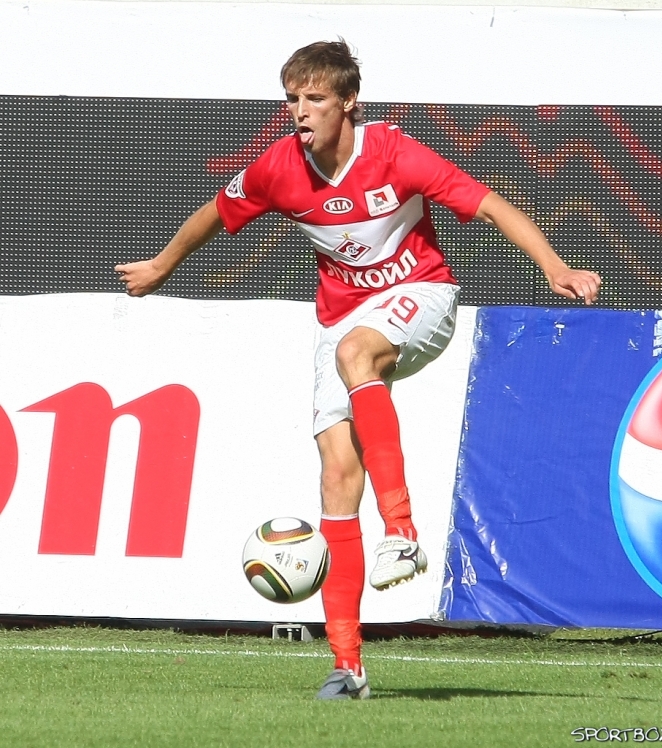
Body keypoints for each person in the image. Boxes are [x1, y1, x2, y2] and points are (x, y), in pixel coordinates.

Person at [115, 40, 601, 700]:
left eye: (314, 98)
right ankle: (348, 668)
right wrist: (161, 265)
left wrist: (556, 266)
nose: (300, 111)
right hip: (340, 318)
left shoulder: (395, 153)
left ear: (348, 102)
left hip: (423, 296)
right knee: (337, 475)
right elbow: (216, 212)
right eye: (292, 98)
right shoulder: (278, 168)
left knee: (355, 353)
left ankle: (401, 531)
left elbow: (488, 204)